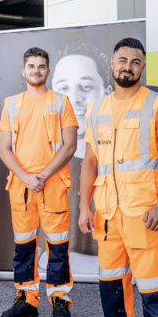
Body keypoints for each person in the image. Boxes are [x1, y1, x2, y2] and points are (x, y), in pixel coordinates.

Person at [78, 38, 158, 317]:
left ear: (142, 67)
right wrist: (83, 205)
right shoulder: (97, 109)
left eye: (135, 62)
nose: (128, 66)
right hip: (107, 214)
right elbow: (90, 161)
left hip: (144, 214)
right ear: (112, 64)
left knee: (154, 288)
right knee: (111, 284)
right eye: (122, 60)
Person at [0, 47, 78, 317]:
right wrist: (26, 177)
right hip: (21, 186)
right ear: (24, 71)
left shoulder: (61, 102)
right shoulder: (11, 104)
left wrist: (41, 175)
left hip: (52, 183)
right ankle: (26, 300)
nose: (36, 70)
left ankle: (59, 302)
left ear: (48, 70)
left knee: (57, 248)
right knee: (24, 246)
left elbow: (70, 146)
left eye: (41, 66)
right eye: (31, 66)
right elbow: (4, 149)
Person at [51, 46, 112, 259]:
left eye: (85, 86)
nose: (73, 98)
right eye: (63, 88)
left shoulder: (118, 156)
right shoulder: (45, 162)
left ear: (107, 92)